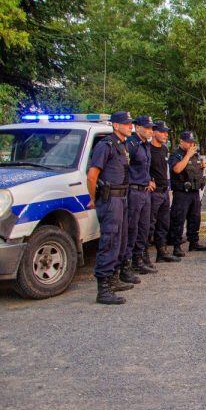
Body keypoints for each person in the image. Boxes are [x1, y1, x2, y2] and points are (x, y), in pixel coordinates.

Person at [86, 111, 134, 305]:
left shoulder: (121, 145)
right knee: (110, 241)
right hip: (110, 199)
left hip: (122, 198)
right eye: (127, 124)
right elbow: (92, 176)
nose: (130, 126)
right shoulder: (105, 145)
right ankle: (103, 289)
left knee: (121, 241)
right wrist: (92, 198)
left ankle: (113, 279)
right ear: (116, 125)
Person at [124, 115, 158, 277]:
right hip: (133, 191)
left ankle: (138, 260)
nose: (151, 131)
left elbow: (145, 168)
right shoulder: (131, 144)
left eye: (152, 128)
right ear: (137, 128)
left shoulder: (145, 145)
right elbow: (123, 167)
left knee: (144, 228)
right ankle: (126, 265)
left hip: (145, 191)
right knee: (132, 228)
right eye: (148, 128)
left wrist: (149, 180)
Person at [169, 131, 206, 252]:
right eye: (189, 142)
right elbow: (177, 169)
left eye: (193, 142)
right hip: (181, 193)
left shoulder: (195, 155)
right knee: (179, 219)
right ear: (181, 141)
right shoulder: (176, 155)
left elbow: (193, 170)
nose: (191, 145)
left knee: (195, 218)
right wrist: (187, 155)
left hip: (194, 191)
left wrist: (201, 167)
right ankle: (176, 246)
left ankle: (194, 242)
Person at [148, 120, 181, 263]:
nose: (165, 135)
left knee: (163, 224)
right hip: (152, 193)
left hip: (164, 191)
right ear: (154, 132)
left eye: (166, 132)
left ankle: (162, 252)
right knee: (149, 225)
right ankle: (142, 256)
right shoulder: (148, 149)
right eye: (162, 132)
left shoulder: (164, 149)